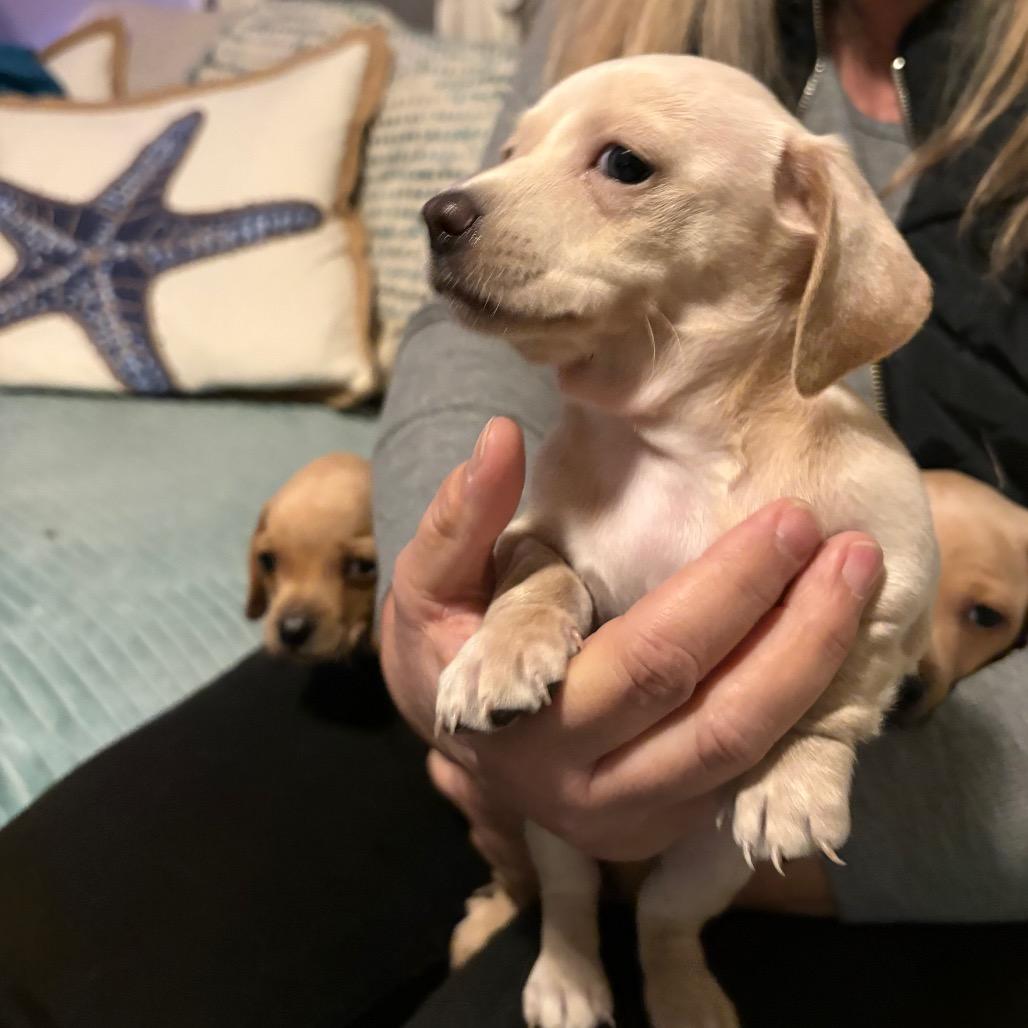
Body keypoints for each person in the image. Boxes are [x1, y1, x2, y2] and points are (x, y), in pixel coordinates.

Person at [0, 2, 1024, 1027]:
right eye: (510, 152)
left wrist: (717, 820)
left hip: (915, 775)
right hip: (523, 662)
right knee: (51, 937)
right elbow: (470, 326)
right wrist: (433, 613)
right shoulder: (621, 14)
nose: (466, 199)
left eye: (622, 166)